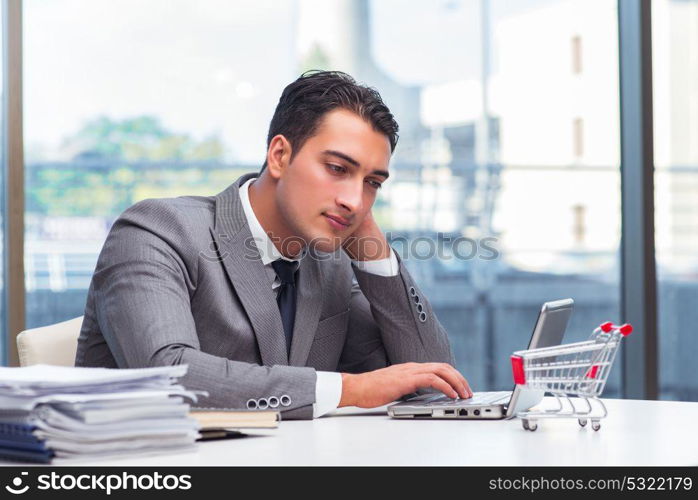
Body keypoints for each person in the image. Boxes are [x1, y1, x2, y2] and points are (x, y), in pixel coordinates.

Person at [75, 70, 472, 419]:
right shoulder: (158, 231)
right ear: (280, 155)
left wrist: (375, 256)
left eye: (372, 183)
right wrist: (348, 390)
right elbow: (170, 375)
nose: (355, 200)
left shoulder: (326, 264)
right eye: (337, 169)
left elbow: (428, 382)